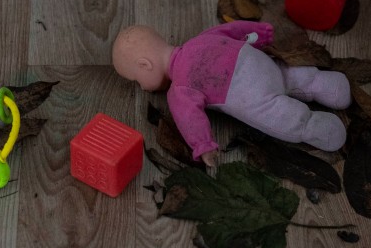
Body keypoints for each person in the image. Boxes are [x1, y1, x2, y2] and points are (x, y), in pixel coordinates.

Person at [111, 22, 350, 166]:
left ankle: (313, 126)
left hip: (246, 91)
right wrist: (262, 33)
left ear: (145, 65)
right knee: (286, 76)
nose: (142, 87)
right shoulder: (200, 40)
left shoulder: (179, 89)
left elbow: (190, 120)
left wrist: (204, 146)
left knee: (276, 113)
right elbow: (233, 29)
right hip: (259, 62)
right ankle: (324, 83)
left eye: (136, 80)